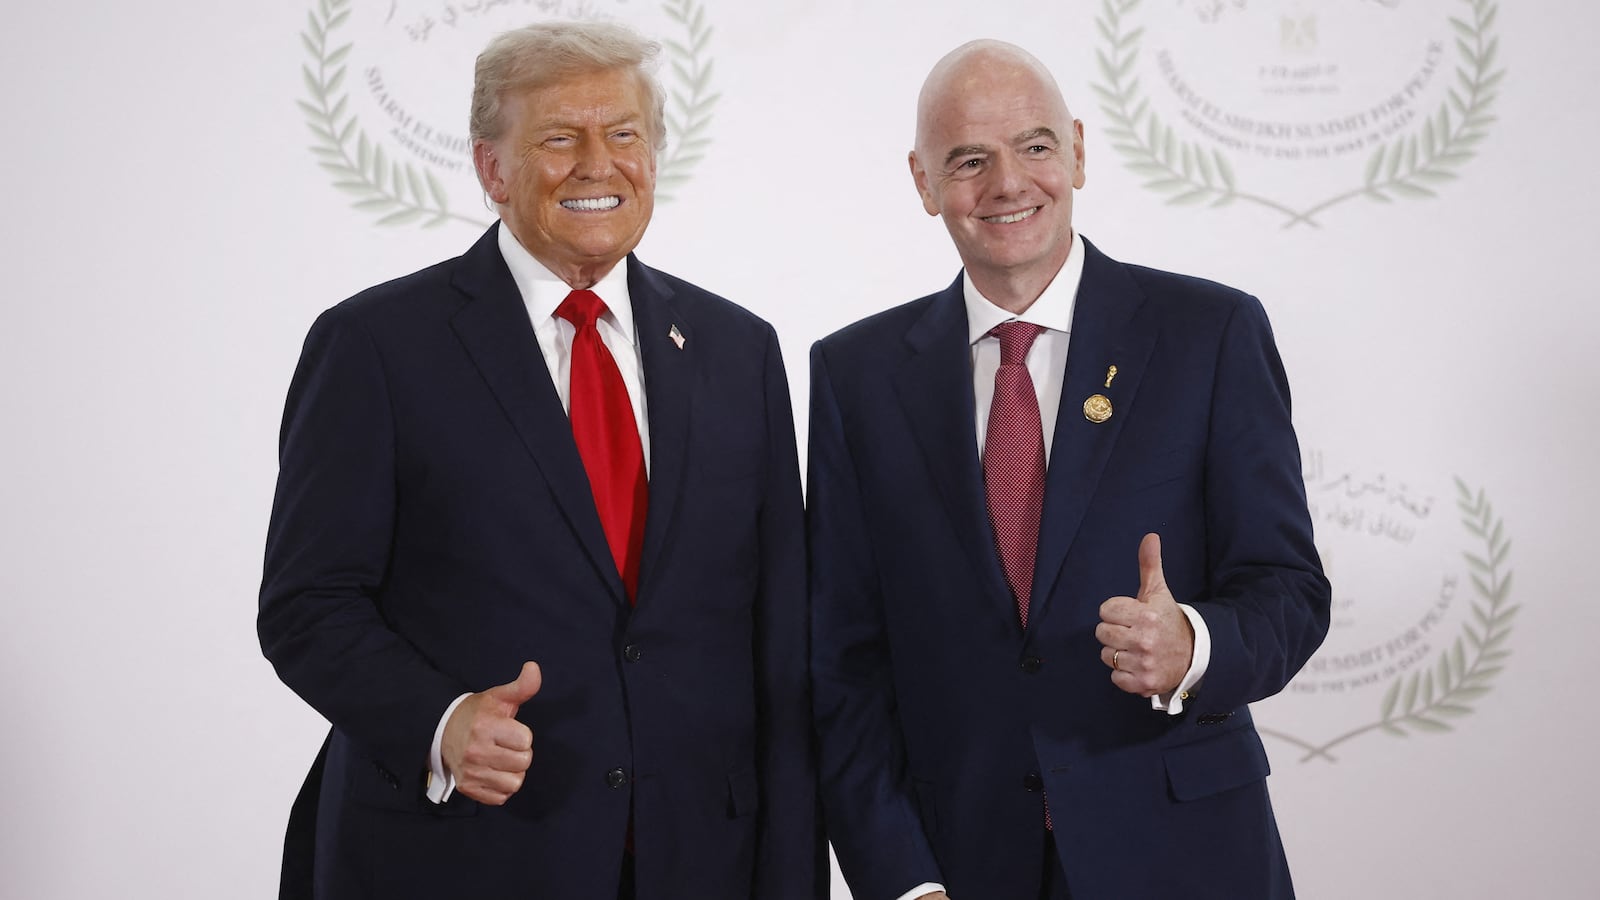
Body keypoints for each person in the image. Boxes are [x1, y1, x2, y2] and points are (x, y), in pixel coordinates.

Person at [259, 21, 821, 900]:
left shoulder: (738, 349)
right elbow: (307, 605)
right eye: (559, 138)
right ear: (493, 168)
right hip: (459, 858)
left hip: (696, 861)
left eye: (624, 135)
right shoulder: (374, 345)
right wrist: (440, 723)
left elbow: (778, 637)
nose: (599, 164)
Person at [808, 39, 1330, 900]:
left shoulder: (1211, 334)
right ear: (922, 181)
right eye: (969, 160)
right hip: (961, 864)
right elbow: (842, 661)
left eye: (1037, 146)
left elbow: (1289, 588)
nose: (1009, 184)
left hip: (1186, 854)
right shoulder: (855, 375)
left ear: (1080, 151)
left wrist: (1193, 646)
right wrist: (901, 878)